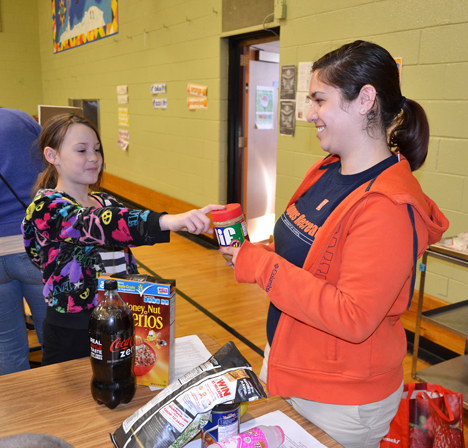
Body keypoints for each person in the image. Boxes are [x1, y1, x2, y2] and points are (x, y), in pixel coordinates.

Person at [219, 41, 449, 448]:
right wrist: (252, 254)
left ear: (364, 100)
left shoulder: (389, 207)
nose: (309, 114)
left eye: (319, 100)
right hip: (289, 360)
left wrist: (260, 267)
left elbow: (354, 316)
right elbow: (303, 261)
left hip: (340, 400)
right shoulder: (325, 169)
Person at [22, 114, 223, 366]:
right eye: (82, 150)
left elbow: (125, 260)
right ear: (52, 156)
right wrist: (167, 221)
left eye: (97, 149)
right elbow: (97, 224)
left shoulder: (108, 203)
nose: (94, 157)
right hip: (73, 332)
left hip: (120, 322)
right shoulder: (47, 207)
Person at [0, 108, 47, 375]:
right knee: (53, 338)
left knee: (6, 347)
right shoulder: (19, 119)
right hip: (32, 245)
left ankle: (19, 415)